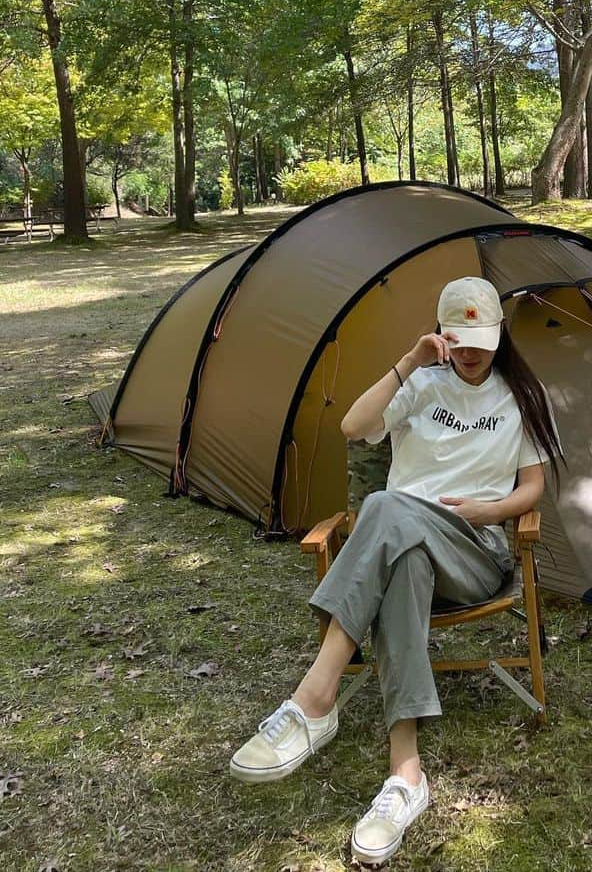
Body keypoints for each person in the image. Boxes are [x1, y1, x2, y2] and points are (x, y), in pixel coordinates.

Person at [229, 275, 562, 866]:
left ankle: (315, 697)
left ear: (499, 336)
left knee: (383, 506)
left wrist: (491, 509)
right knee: (402, 555)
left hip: (474, 551)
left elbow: (533, 486)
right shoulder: (421, 385)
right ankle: (405, 777)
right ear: (442, 336)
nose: (470, 353)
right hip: (406, 550)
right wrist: (408, 363)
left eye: (482, 340)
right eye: (459, 340)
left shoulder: (519, 396)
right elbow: (352, 427)